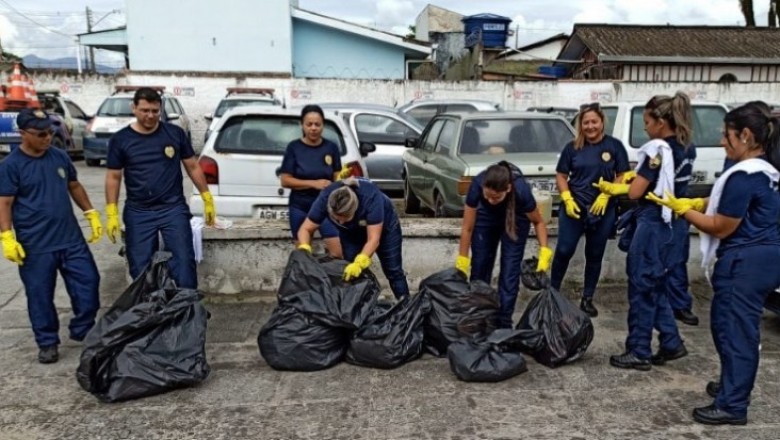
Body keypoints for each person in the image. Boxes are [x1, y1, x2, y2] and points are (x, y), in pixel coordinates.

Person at [649, 102, 780, 425]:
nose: (722, 141)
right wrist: (698, 201)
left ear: (746, 136)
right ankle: (731, 384)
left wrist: (682, 209)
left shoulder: (745, 175)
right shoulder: (765, 170)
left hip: (744, 264)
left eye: (726, 135)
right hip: (761, 259)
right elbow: (727, 201)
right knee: (725, 326)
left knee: (737, 333)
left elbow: (721, 225)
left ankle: (733, 405)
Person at [597, 92, 693, 371]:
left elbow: (638, 190)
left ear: (661, 122)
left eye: (647, 122)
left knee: (641, 285)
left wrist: (619, 186)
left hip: (653, 222)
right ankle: (671, 341)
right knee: (656, 283)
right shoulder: (687, 146)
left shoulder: (657, 150)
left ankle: (639, 349)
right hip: (676, 221)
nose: (645, 128)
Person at [0, 109, 103, 364]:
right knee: (40, 295)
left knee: (89, 283)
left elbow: (74, 185)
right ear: (22, 134)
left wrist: (90, 212)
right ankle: (47, 342)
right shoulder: (11, 166)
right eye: (41, 134)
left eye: (50, 132)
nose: (48, 138)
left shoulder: (58, 156)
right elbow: (5, 203)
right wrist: (6, 237)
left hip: (71, 239)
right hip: (36, 245)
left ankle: (81, 328)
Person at [104, 87, 216, 288]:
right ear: (134, 108)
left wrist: (207, 197)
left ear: (161, 109)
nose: (150, 115)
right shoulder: (121, 140)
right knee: (140, 269)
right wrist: (111, 211)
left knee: (183, 263)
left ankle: (186, 312)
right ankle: (149, 313)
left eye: (155, 111)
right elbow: (113, 176)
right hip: (139, 211)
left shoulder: (175, 134)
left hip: (172, 208)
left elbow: (192, 166)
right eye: (145, 110)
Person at [551, 102, 631, 317]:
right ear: (580, 125)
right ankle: (552, 293)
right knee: (564, 249)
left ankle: (587, 298)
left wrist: (607, 194)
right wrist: (567, 198)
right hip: (575, 207)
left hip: (603, 210)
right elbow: (561, 175)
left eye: (594, 121)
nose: (590, 126)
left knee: (595, 254)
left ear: (602, 122)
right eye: (585, 122)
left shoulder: (614, 146)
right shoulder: (572, 148)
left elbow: (623, 173)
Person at [455, 161, 552, 329]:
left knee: (510, 272)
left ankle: (504, 323)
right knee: (480, 265)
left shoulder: (521, 190)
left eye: (496, 197)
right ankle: (478, 318)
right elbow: (467, 228)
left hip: (516, 217)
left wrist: (544, 250)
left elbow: (538, 222)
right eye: (487, 196)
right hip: (485, 218)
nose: (491, 200)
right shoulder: (477, 184)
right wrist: (463, 259)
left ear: (507, 189)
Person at [297, 177, 409, 299]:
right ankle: (358, 309)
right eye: (336, 219)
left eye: (344, 219)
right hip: (351, 234)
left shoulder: (371, 198)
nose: (340, 222)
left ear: (355, 210)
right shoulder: (325, 198)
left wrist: (359, 263)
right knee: (349, 273)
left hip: (386, 230)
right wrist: (304, 248)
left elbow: (373, 240)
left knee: (393, 271)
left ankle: (407, 306)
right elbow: (306, 229)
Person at [280, 105, 347, 256]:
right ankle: (307, 280)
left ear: (323, 125)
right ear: (302, 125)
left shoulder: (331, 147)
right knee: (303, 254)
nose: (313, 128)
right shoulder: (294, 148)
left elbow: (337, 177)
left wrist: (340, 185)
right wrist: (314, 183)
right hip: (300, 206)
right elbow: (285, 180)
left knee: (337, 251)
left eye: (317, 124)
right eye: (309, 124)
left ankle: (331, 279)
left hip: (325, 207)